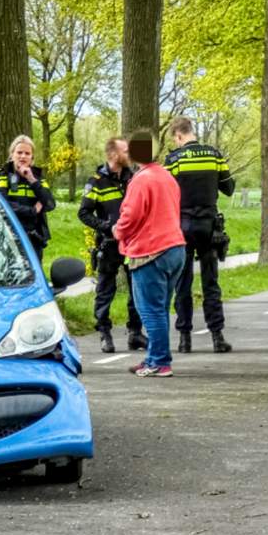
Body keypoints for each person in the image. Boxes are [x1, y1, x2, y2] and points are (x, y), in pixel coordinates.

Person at [114, 130, 186, 378]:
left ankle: (160, 362)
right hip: (175, 247)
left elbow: (131, 215)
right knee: (161, 308)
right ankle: (154, 357)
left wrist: (117, 230)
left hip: (150, 251)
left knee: (150, 311)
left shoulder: (141, 180)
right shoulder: (167, 176)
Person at [165, 117, 235, 354]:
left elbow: (165, 193)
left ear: (178, 135)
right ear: (191, 132)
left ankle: (185, 339)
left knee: (182, 283)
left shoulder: (173, 160)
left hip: (181, 227)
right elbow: (229, 188)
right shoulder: (215, 155)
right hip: (209, 227)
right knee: (210, 282)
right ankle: (217, 336)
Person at [79, 137, 147, 354]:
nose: (130, 154)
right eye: (125, 151)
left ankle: (135, 332)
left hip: (134, 243)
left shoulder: (134, 177)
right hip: (109, 244)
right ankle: (104, 333)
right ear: (113, 155)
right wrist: (107, 227)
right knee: (105, 289)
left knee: (137, 287)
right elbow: (84, 213)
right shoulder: (96, 181)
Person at [0, 135, 57, 267]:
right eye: (19, 152)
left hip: (34, 238)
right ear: (12, 155)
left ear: (32, 157)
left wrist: (32, 180)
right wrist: (32, 211)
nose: (23, 156)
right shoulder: (3, 176)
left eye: (27, 153)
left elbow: (50, 204)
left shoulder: (38, 178)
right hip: (10, 236)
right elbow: (2, 204)